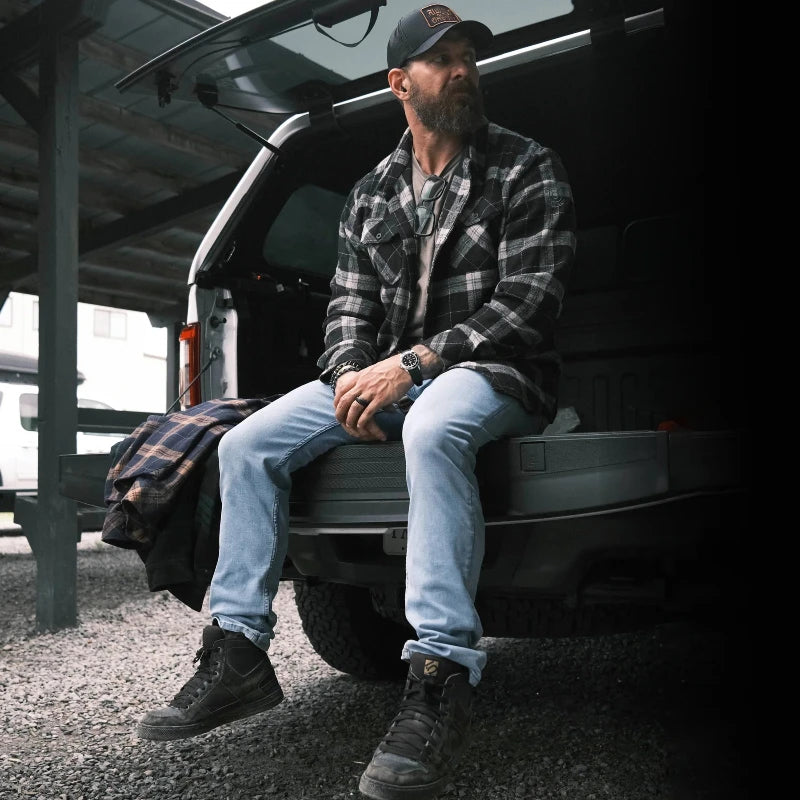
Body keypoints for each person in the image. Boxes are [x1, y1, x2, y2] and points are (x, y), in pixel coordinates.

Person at [137, 5, 576, 799]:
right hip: (387, 376)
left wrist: (410, 365)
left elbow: (529, 303)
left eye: (468, 56)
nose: (463, 70)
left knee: (434, 429)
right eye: (443, 60)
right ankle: (238, 651)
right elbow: (347, 308)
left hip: (497, 372)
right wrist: (347, 378)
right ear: (401, 83)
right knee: (245, 445)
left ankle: (440, 672)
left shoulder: (524, 165)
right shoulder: (372, 193)